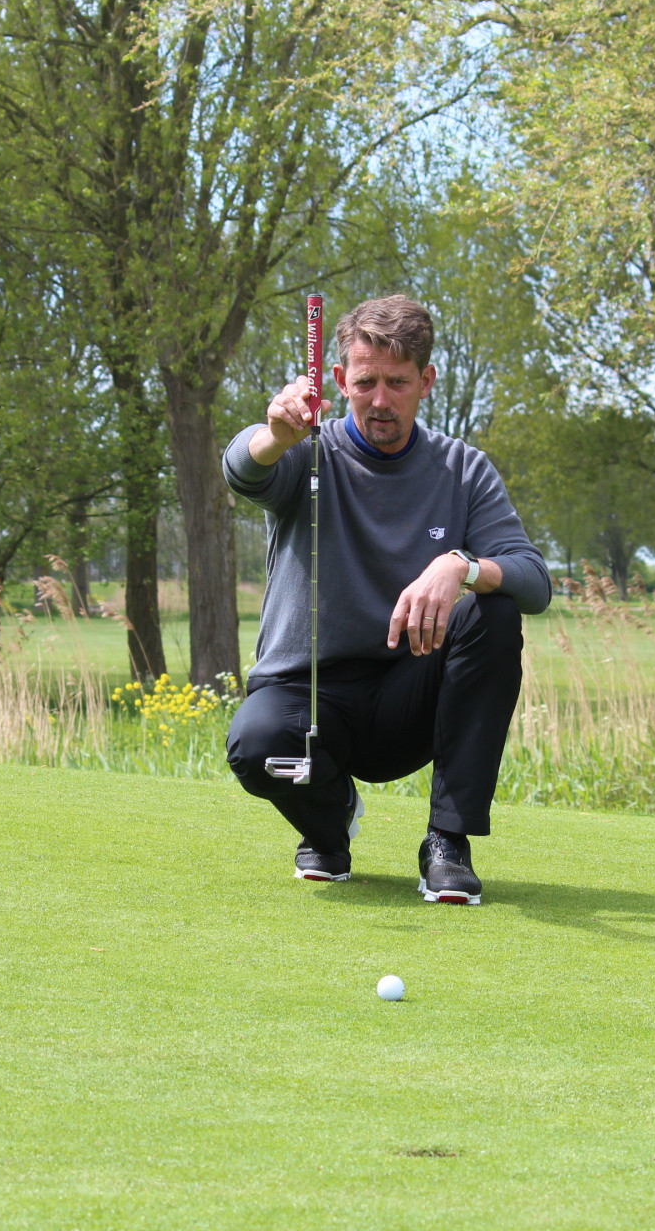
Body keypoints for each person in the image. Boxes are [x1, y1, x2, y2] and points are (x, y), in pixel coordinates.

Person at [221, 295, 552, 903]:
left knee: (495, 609)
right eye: (365, 382)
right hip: (308, 698)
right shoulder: (305, 450)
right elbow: (243, 469)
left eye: (397, 383)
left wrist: (461, 565)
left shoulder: (463, 469)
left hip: (409, 698)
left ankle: (447, 842)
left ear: (426, 381)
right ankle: (330, 825)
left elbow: (534, 581)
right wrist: (274, 436)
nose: (380, 400)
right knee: (255, 744)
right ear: (339, 379)